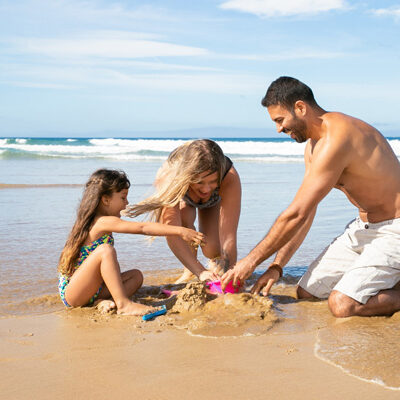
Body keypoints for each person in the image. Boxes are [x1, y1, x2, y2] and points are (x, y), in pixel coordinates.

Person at [222, 76, 400, 318]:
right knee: (308, 292)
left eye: (280, 120)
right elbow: (306, 211)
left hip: (395, 229)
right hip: (364, 229)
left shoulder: (340, 137)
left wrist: (250, 261)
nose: (279, 129)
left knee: (342, 304)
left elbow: (295, 213)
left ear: (300, 108)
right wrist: (277, 266)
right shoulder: (313, 147)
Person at [57, 168, 204, 316]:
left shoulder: (101, 221)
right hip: (74, 293)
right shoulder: (101, 222)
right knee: (105, 250)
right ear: (106, 199)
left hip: (92, 290)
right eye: (123, 198)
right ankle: (123, 304)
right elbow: (142, 227)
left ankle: (100, 300)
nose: (126, 203)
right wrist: (180, 231)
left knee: (136, 276)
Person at [127, 139, 241, 283]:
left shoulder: (228, 175)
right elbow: (172, 232)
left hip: (213, 201)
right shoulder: (171, 176)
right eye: (199, 182)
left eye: (213, 182)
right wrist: (200, 272)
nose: (206, 189)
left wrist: (229, 274)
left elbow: (229, 235)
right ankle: (189, 272)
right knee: (185, 221)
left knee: (211, 249)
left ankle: (214, 266)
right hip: (183, 195)